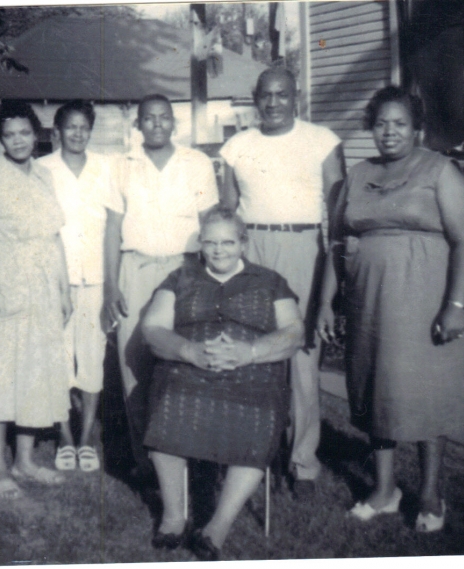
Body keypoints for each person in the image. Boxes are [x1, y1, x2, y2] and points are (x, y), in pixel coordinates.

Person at [317, 86, 464, 532]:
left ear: (417, 129)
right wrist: (327, 302)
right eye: (382, 123)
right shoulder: (358, 174)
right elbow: (336, 242)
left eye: (399, 124)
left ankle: (429, 492)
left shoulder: (439, 169)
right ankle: (385, 490)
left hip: (426, 298)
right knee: (373, 390)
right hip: (368, 300)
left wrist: (456, 304)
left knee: (427, 391)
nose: (389, 132)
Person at [142, 207, 304, 560]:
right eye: (210, 243)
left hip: (254, 367)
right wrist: (189, 351)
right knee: (170, 400)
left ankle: (218, 526)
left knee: (258, 411)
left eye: (227, 243)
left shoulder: (270, 280)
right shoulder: (180, 277)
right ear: (200, 244)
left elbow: (294, 332)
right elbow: (153, 329)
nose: (218, 251)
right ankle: (173, 516)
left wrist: (251, 352)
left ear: (243, 243)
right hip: (188, 364)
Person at [220, 67, 345, 499]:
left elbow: (338, 211)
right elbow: (228, 208)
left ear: (296, 97)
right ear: (255, 98)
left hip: (302, 246)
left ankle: (303, 462)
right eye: (265, 96)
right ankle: (254, 451)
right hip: (252, 249)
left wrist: (335, 270)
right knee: (251, 350)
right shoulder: (237, 146)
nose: (273, 103)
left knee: (301, 356)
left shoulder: (322, 141)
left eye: (282, 95)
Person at [104, 94, 219, 481]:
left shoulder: (197, 163)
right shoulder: (122, 166)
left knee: (184, 363)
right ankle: (147, 462)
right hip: (134, 268)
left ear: (174, 124)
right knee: (135, 363)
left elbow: (209, 223)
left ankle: (190, 458)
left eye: (163, 118)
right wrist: (110, 285)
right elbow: (111, 229)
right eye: (148, 119)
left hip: (183, 270)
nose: (156, 124)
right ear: (137, 125)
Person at [0, 101, 72, 500]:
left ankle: (25, 460)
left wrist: (63, 289)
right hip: (6, 277)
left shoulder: (44, 174)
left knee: (36, 371)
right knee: (0, 372)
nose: (18, 141)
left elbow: (55, 237)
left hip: (44, 282)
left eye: (25, 133)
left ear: (36, 134)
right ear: (0, 139)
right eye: (9, 135)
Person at [38, 100, 115, 472]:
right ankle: (63, 438)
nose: (78, 133)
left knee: (92, 358)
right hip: (56, 281)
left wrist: (112, 287)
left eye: (84, 127)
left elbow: (113, 228)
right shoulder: (41, 170)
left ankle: (87, 440)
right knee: (58, 359)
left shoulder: (104, 168)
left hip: (95, 280)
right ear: (57, 131)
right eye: (70, 127)